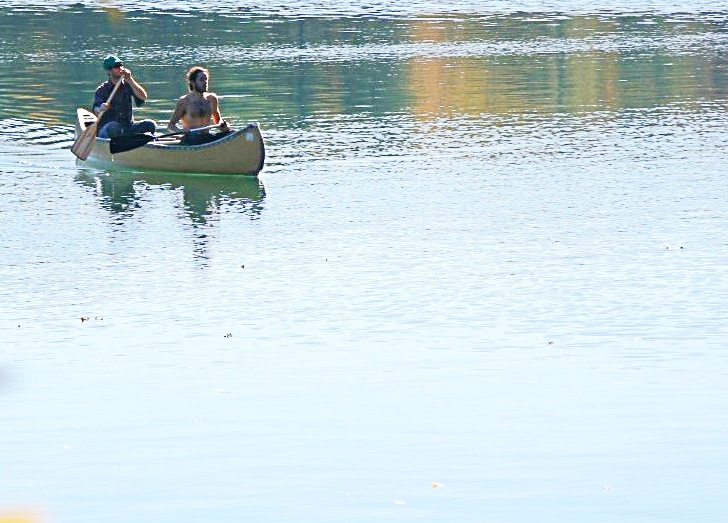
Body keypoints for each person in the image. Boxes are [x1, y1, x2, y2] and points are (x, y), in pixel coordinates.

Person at [93, 55, 156, 138]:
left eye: (121, 65)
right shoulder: (102, 89)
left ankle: (134, 144)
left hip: (128, 127)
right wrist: (101, 108)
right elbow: (96, 109)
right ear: (108, 71)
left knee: (150, 124)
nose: (120, 68)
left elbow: (143, 97)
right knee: (114, 127)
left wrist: (130, 80)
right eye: (116, 66)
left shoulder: (129, 85)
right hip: (108, 128)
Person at [167, 66, 231, 146]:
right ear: (193, 82)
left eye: (206, 79)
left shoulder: (212, 98)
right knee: (194, 138)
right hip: (190, 139)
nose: (205, 82)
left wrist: (224, 126)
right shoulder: (184, 101)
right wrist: (181, 130)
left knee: (231, 133)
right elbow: (170, 126)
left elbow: (218, 121)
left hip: (206, 137)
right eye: (201, 80)